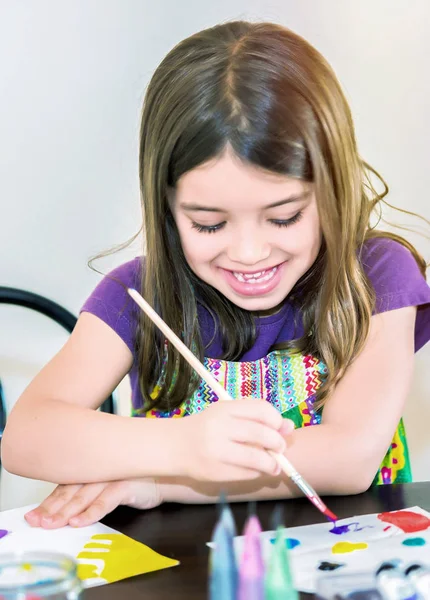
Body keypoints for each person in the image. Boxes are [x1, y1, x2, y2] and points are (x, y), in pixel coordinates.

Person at [2, 21, 430, 530]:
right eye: (208, 223)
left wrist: (160, 481)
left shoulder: (376, 276)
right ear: (166, 205)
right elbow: (26, 437)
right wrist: (182, 444)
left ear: (332, 189)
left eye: (284, 217)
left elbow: (348, 459)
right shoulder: (137, 295)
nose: (249, 252)